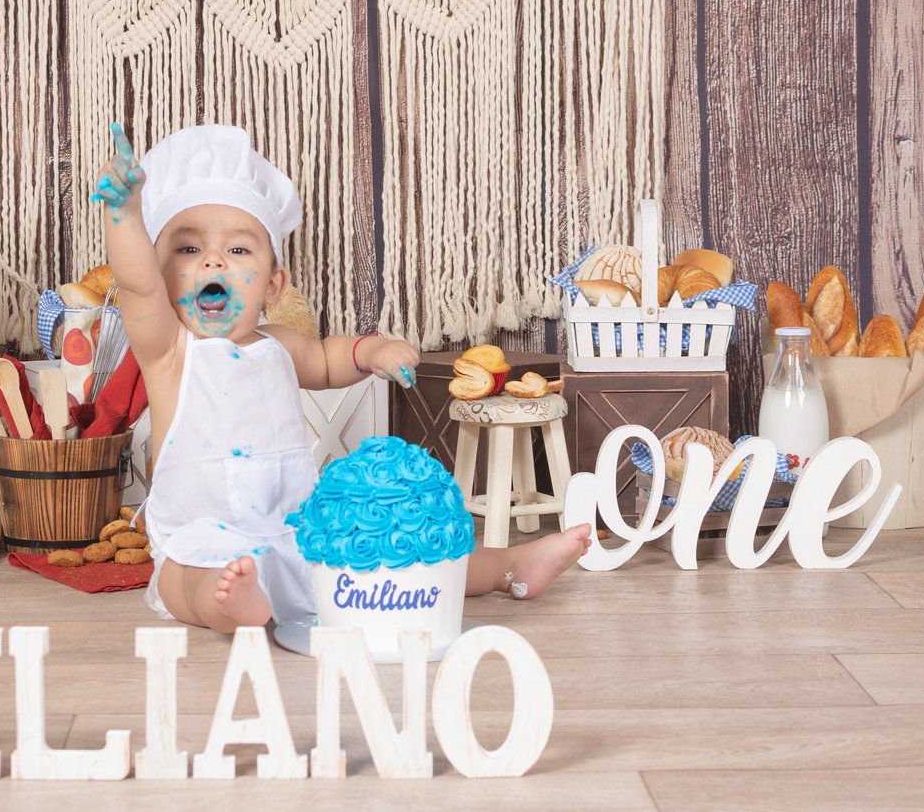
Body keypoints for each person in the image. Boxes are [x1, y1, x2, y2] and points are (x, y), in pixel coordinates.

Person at [90, 122, 593, 634]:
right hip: (202, 535)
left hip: (297, 530)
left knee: (397, 558)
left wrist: (371, 350)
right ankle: (232, 603)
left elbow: (329, 361)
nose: (214, 259)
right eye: (189, 249)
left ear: (273, 285)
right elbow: (134, 285)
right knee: (187, 582)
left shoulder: (280, 344)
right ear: (160, 272)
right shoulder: (171, 350)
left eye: (238, 251)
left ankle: (510, 566)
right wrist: (125, 212)